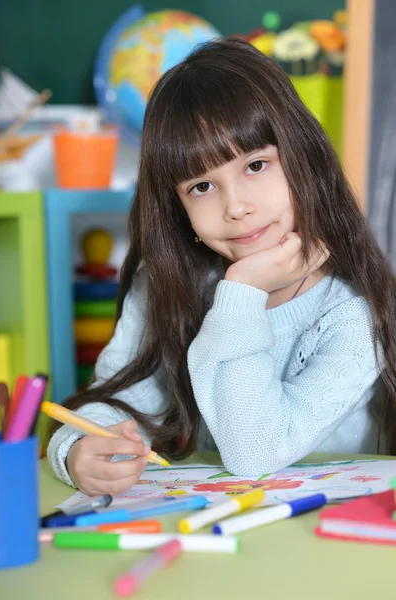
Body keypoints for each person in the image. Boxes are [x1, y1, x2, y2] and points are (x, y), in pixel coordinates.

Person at [47, 38, 396, 495]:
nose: (236, 207)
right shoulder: (165, 283)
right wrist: (77, 450)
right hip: (218, 530)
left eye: (256, 165)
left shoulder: (353, 306)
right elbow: (118, 397)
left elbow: (256, 452)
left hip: (328, 534)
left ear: (303, 158)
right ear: (176, 205)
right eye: (201, 187)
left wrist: (243, 291)